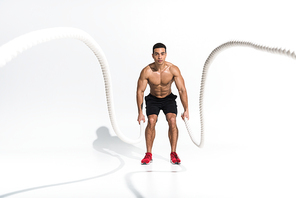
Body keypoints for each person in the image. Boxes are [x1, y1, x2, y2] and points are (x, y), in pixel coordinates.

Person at [136, 43, 189, 165]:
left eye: (162, 53)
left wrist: (186, 109)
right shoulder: (147, 71)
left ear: (165, 54)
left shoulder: (173, 69)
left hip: (168, 98)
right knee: (151, 121)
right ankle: (148, 154)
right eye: (157, 54)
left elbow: (182, 90)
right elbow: (140, 91)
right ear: (153, 55)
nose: (160, 56)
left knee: (172, 120)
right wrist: (140, 112)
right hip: (153, 99)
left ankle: (173, 153)